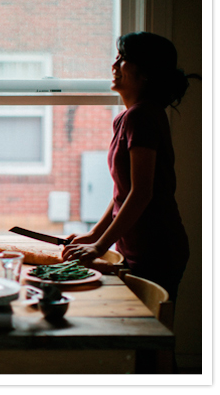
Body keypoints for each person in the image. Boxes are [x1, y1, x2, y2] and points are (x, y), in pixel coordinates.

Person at [63, 32, 197, 305]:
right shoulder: (131, 117)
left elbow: (141, 193)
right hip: (141, 247)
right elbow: (123, 192)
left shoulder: (142, 116)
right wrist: (94, 234)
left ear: (145, 73)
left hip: (156, 250)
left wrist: (100, 245)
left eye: (123, 59)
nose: (114, 65)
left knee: (150, 337)